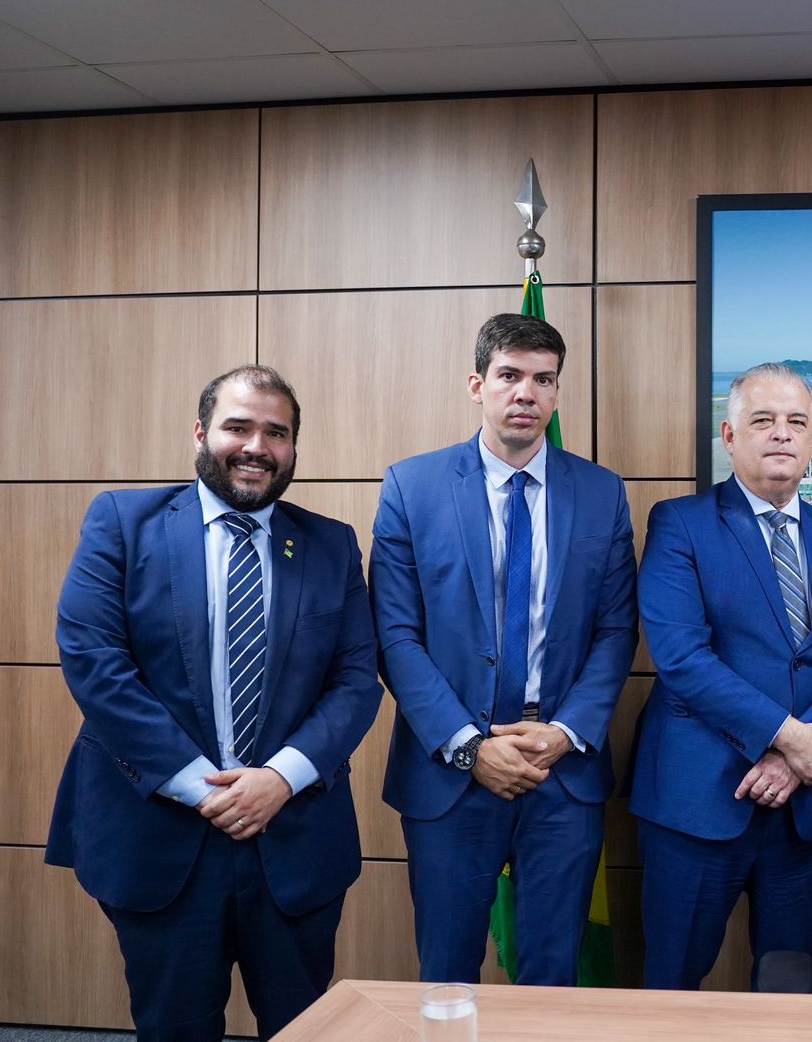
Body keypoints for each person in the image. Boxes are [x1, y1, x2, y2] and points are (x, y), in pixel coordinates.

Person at [48, 365, 381, 1041]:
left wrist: (278, 779)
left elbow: (356, 679)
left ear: (293, 447)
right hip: (161, 837)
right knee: (174, 1028)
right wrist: (208, 790)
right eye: (238, 426)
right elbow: (94, 662)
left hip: (293, 835)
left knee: (303, 1030)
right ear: (201, 433)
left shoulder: (330, 544)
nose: (256, 445)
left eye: (276, 432)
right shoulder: (122, 522)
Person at [371, 312, 637, 985]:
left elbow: (614, 631)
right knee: (449, 971)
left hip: (562, 773)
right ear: (477, 384)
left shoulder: (601, 493)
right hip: (452, 775)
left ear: (556, 394)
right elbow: (396, 635)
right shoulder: (412, 487)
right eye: (510, 376)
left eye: (543, 380)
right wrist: (469, 745)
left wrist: (566, 732)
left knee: (552, 976)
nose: (526, 393)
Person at [630, 362, 812, 989]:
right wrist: (788, 736)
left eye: (797, 422)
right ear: (729, 435)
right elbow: (683, 658)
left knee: (787, 985)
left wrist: (797, 755)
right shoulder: (680, 523)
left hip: (800, 805)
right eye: (763, 420)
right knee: (672, 986)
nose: (781, 434)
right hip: (699, 802)